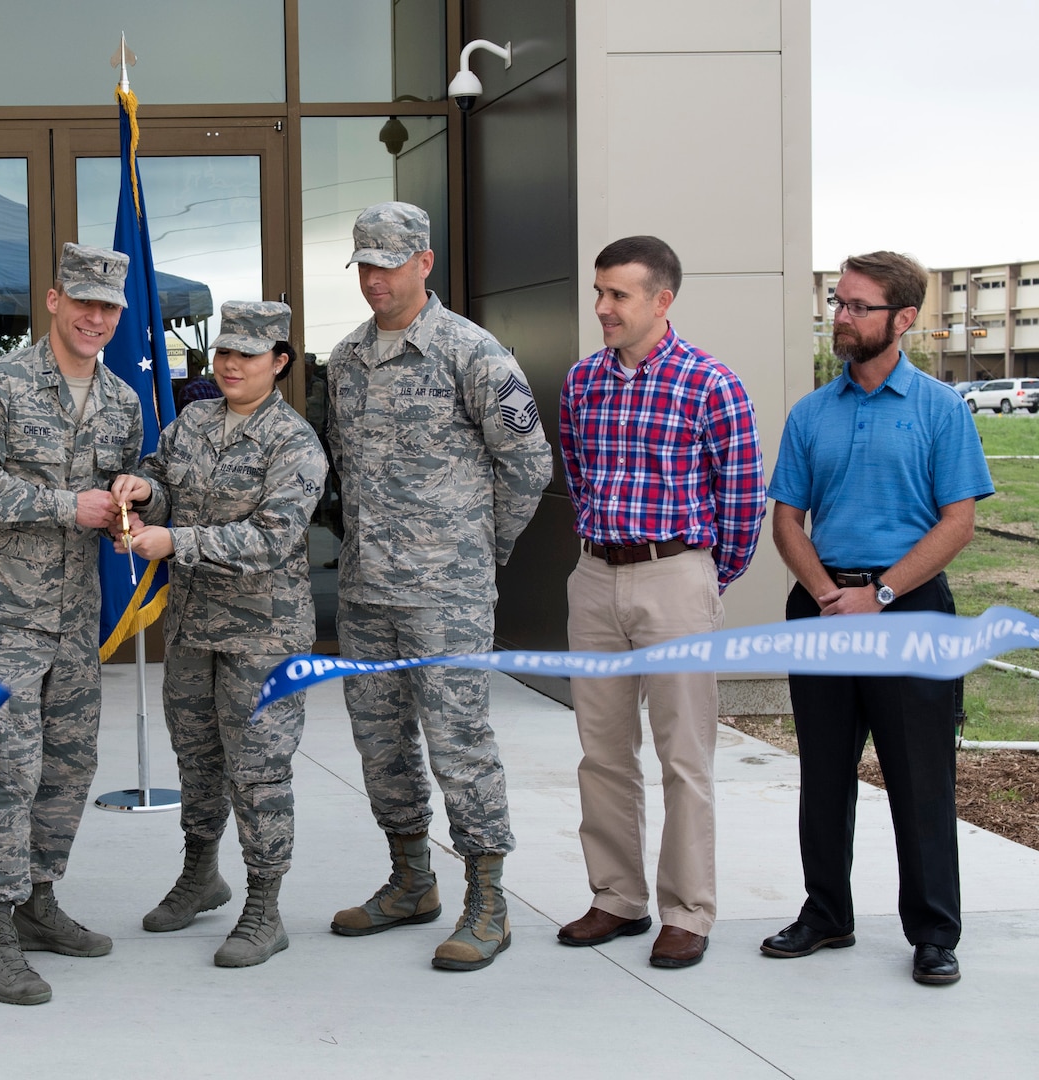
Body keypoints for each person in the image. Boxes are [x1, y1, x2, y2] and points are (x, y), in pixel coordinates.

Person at [326, 201, 552, 971]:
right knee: (380, 745)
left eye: (390, 265)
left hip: (445, 596)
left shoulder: (472, 353)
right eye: (365, 265)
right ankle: (409, 880)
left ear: (424, 263)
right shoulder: (345, 359)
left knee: (459, 746)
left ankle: (486, 899)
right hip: (365, 595)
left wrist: (478, 553)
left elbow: (529, 465)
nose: (376, 281)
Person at [762, 251, 992, 986]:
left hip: (909, 612)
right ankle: (826, 914)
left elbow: (958, 523)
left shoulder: (940, 409)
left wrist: (881, 594)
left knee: (920, 777)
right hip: (823, 608)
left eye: (859, 306)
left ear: (904, 319)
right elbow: (788, 520)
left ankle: (933, 932)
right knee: (823, 774)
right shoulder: (811, 413)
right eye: (838, 302)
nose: (843, 317)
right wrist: (828, 593)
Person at [555, 235, 765, 970]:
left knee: (684, 753)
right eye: (599, 292)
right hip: (594, 577)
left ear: (661, 300)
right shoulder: (582, 382)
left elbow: (741, 503)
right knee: (603, 751)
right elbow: (578, 475)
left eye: (618, 295)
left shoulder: (712, 384)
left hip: (676, 575)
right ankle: (617, 898)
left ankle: (688, 911)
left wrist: (703, 580)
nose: (602, 308)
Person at [0, 242, 144, 1005]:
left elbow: (135, 478)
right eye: (84, 302)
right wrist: (69, 505)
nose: (96, 318)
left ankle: (36, 900)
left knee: (67, 768)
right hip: (4, 615)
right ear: (55, 300)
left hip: (74, 617)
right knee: (6, 772)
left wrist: (140, 491)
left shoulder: (121, 398)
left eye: (109, 308)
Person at [111, 302, 327, 968]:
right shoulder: (195, 421)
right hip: (194, 628)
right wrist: (144, 491)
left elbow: (272, 539)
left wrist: (173, 539)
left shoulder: (295, 444)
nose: (230, 365)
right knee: (198, 761)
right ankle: (201, 874)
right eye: (224, 352)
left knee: (258, 772)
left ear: (280, 363)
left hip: (262, 635)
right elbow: (167, 482)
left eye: (249, 355)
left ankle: (265, 906)